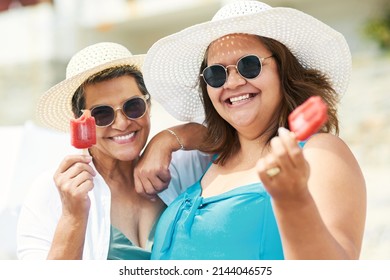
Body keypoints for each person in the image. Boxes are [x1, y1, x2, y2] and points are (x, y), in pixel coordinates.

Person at [139, 0, 367, 259]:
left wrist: (293, 198)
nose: (233, 82)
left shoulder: (319, 153)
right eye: (216, 74)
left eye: (249, 65)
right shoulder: (204, 162)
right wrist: (166, 139)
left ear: (284, 71)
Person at [16, 42, 211, 260]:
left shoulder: (175, 163)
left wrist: (167, 139)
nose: (121, 123)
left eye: (133, 106)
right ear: (80, 122)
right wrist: (73, 217)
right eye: (102, 114)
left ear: (148, 106)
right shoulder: (51, 192)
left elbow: (229, 136)